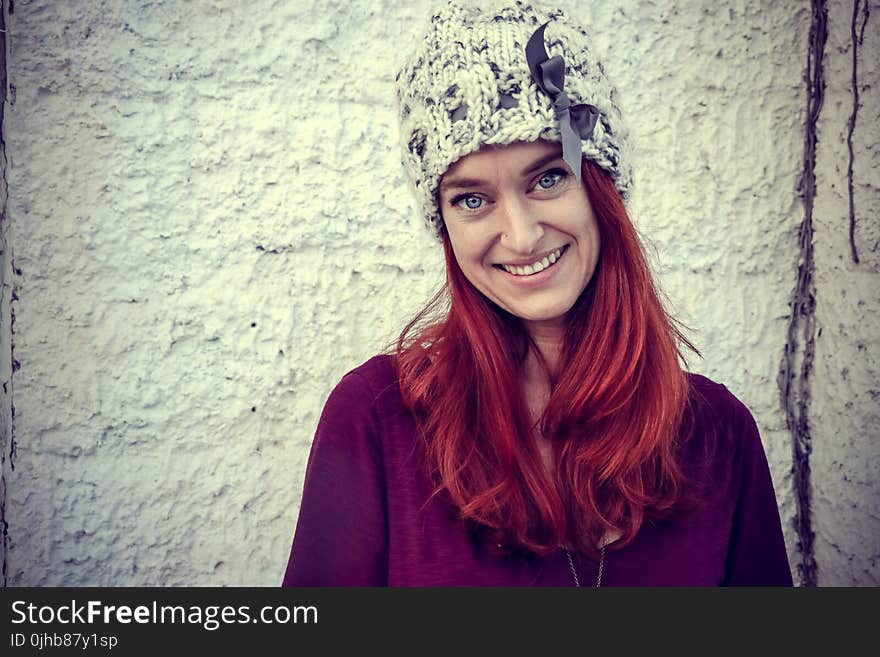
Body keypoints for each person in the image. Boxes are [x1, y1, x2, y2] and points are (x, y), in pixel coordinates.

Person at [281, 1, 793, 586]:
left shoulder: (717, 436)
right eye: (471, 199)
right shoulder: (376, 423)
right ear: (444, 224)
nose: (521, 237)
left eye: (548, 177)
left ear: (603, 189)